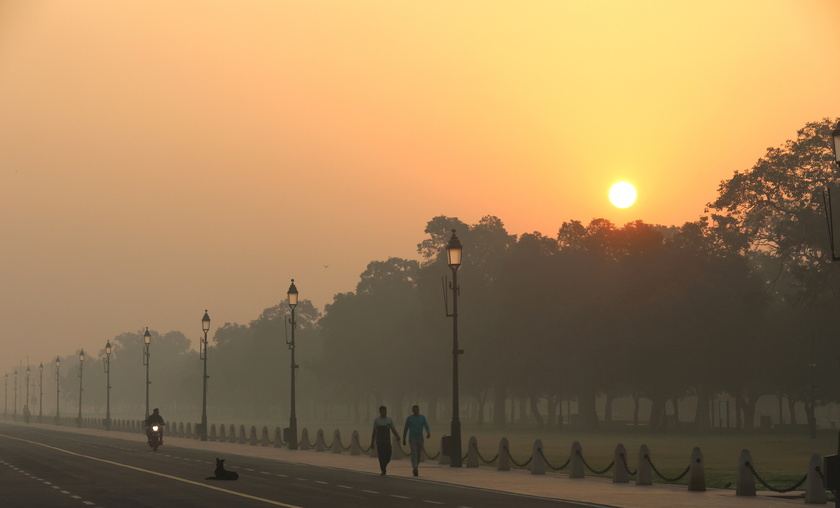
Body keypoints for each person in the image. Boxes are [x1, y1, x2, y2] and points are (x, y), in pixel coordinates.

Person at [370, 405, 400, 475]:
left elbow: (393, 429)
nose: (384, 412)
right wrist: (372, 442)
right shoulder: (377, 421)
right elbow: (374, 432)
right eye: (383, 411)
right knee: (381, 455)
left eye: (385, 411)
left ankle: (384, 464)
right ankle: (383, 469)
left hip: (387, 440)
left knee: (388, 454)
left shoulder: (389, 420)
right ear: (380, 412)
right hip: (379, 441)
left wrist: (397, 436)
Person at [402, 404, 430, 477]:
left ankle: (415, 466)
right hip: (412, 438)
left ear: (419, 410)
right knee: (414, 453)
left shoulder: (422, 418)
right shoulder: (409, 418)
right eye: (414, 410)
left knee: (418, 454)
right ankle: (415, 468)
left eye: (417, 409)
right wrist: (404, 438)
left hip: (420, 438)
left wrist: (428, 432)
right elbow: (406, 429)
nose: (416, 411)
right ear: (412, 410)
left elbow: (426, 425)